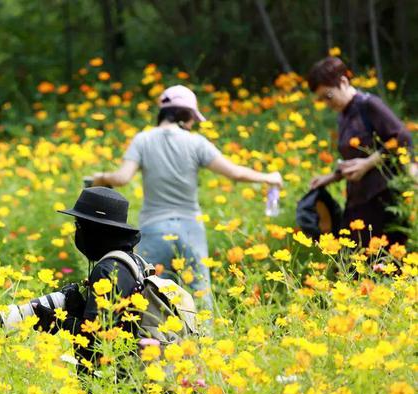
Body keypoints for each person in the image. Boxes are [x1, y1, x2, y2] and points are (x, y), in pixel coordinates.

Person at [91, 85, 283, 316]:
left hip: (153, 228)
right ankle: (205, 346)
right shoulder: (196, 142)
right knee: (200, 293)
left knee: (145, 293)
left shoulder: (143, 140)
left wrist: (101, 178)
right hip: (190, 228)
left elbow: (122, 177)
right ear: (185, 115)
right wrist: (269, 177)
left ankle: (148, 345)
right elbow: (235, 173)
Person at [307, 57, 416, 247]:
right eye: (322, 99)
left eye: (328, 96)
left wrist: (367, 164)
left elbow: (402, 138)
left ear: (343, 81)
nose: (327, 103)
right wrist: (332, 176)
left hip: (383, 198)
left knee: (380, 263)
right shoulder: (343, 116)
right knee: (351, 262)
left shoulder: (369, 105)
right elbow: (355, 158)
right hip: (358, 199)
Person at [33, 186, 145, 371]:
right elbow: (111, 323)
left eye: (78, 225)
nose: (77, 232)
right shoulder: (131, 261)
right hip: (129, 373)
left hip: (110, 382)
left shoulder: (106, 270)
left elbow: (95, 341)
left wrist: (58, 321)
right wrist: (80, 309)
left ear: (94, 230)